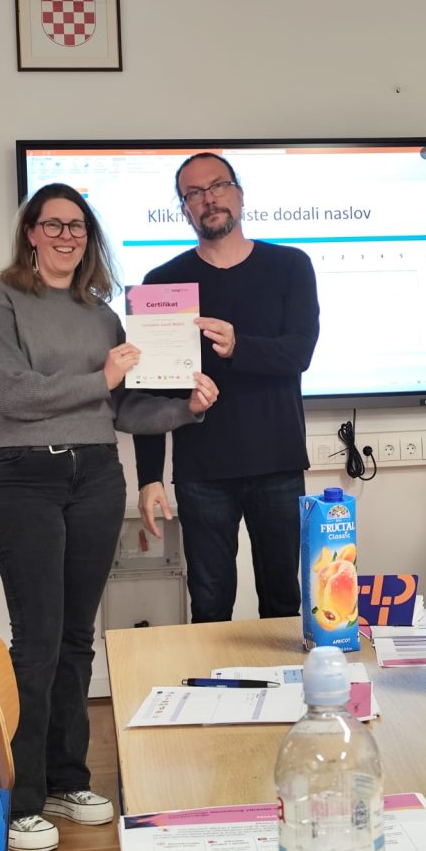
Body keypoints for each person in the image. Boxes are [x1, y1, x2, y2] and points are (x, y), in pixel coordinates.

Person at [0, 183, 219, 851]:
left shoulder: (103, 314)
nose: (67, 236)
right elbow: (12, 395)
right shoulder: (1, 300)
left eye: (78, 226)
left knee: (78, 639)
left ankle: (65, 779)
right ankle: (10, 802)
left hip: (96, 477)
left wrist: (188, 408)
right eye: (53, 224)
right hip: (25, 479)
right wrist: (100, 379)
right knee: (38, 640)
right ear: (30, 232)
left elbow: (125, 409)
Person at [134, 152, 320, 623]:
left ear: (239, 193)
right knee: (210, 606)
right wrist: (150, 476)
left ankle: (283, 677)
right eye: (194, 193)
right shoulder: (162, 283)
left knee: (283, 602)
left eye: (217, 186)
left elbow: (299, 353)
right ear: (184, 209)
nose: (208, 199)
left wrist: (239, 346)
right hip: (202, 472)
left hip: (277, 464)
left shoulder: (290, 266)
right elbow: (149, 395)